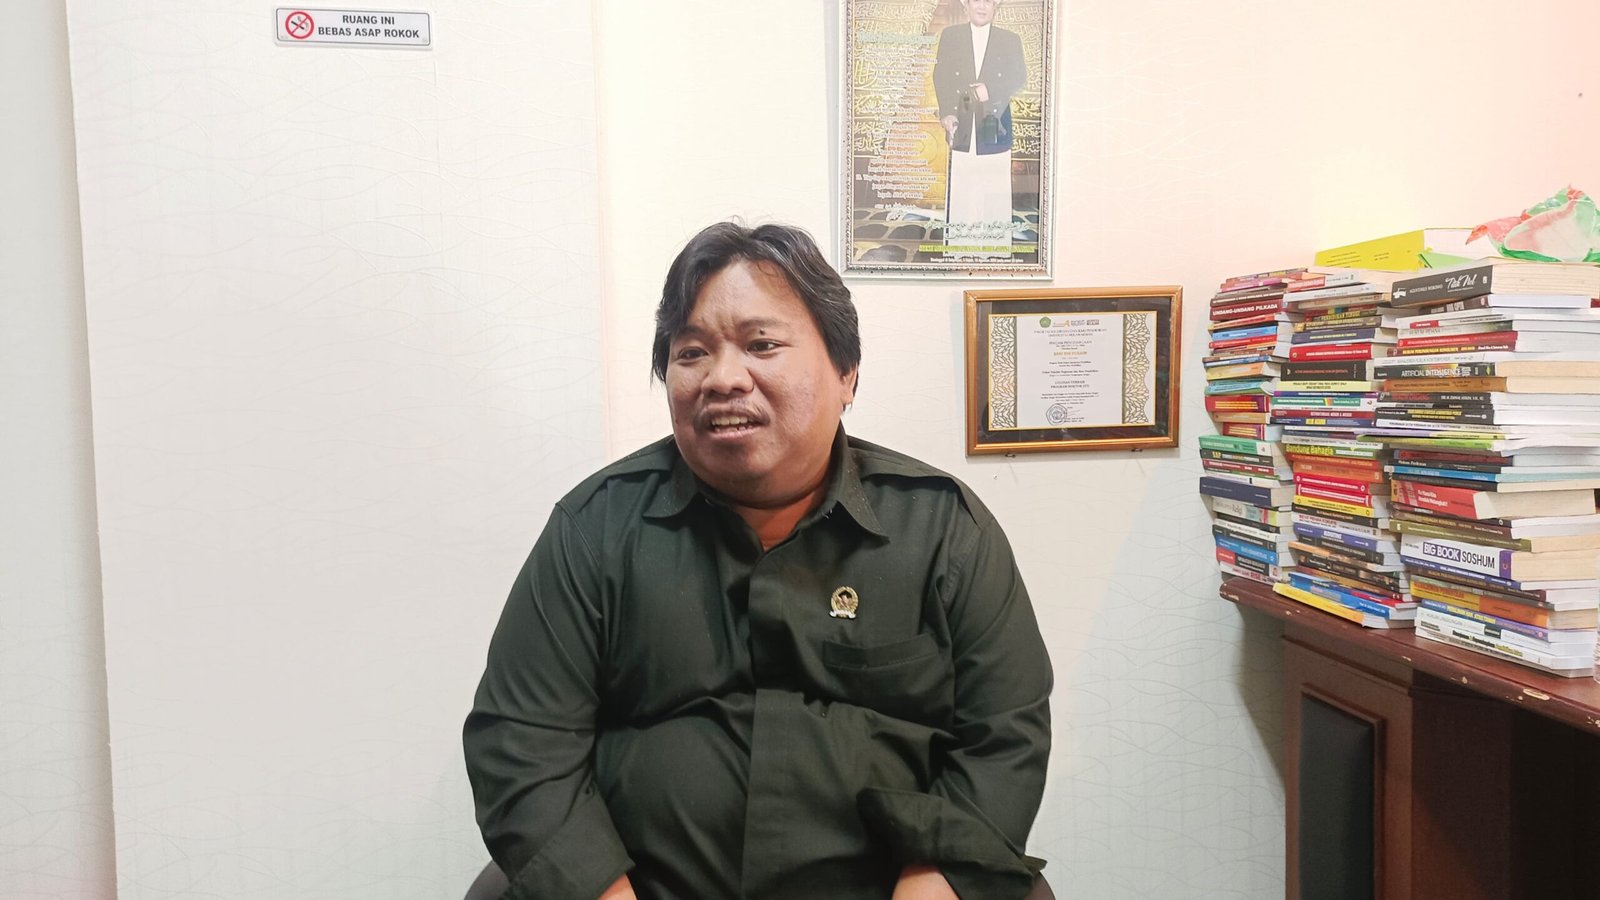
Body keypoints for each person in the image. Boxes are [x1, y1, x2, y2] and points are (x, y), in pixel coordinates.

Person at [464, 222, 1052, 900]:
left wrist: (933, 884)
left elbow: (1003, 738)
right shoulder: (595, 529)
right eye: (692, 353)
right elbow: (522, 743)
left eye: (761, 344)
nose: (723, 378)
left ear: (846, 373)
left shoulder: (943, 531)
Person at [932, 0, 1027, 260]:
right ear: (966, 4)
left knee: (993, 185)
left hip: (994, 121)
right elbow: (941, 76)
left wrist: (990, 90)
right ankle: (960, 250)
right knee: (963, 185)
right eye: (976, 0)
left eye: (989, 1)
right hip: (961, 121)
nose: (982, 6)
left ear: (996, 5)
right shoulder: (950, 36)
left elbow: (1019, 76)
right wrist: (947, 112)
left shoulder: (1010, 39)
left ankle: (994, 252)